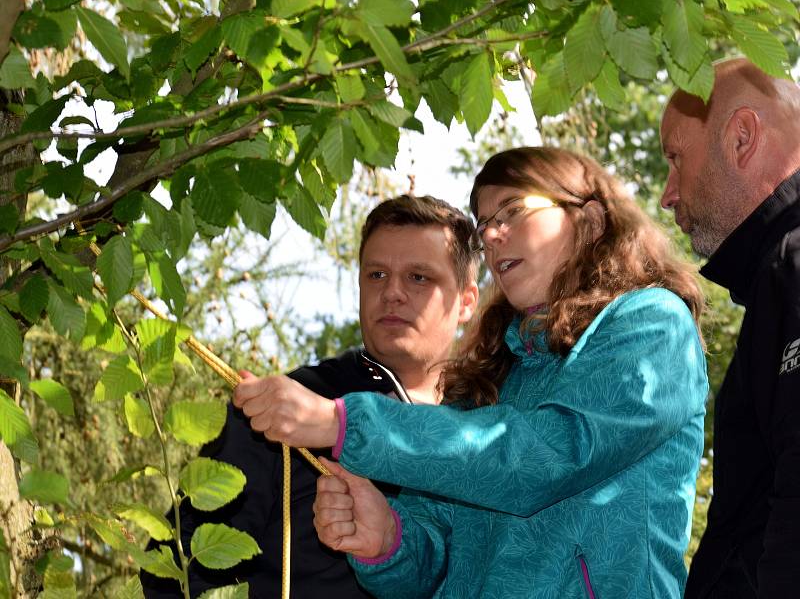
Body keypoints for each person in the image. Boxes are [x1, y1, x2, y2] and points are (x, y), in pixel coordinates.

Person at [234, 147, 709, 597]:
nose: (492, 235)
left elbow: (548, 453)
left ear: (588, 219)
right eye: (485, 224)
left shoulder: (651, 323)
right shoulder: (492, 375)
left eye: (512, 212)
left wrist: (344, 424)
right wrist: (386, 540)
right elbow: (431, 557)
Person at [141, 195, 479, 597]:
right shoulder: (287, 410)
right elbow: (175, 568)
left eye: (419, 278)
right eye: (376, 275)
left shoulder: (493, 431)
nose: (392, 293)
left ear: (466, 301)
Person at [659, 57, 800, 598]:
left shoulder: (794, 264)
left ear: (742, 137)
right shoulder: (774, 281)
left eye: (676, 157)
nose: (669, 192)